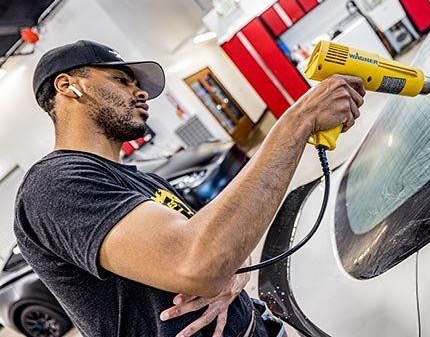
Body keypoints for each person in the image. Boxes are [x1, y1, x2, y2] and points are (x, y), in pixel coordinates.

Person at [13, 40, 365, 337]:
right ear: (69, 86)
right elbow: (197, 262)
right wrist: (298, 121)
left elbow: (225, 243)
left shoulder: (145, 181)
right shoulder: (55, 184)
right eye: (121, 79)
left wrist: (231, 278)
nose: (140, 93)